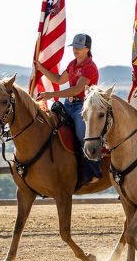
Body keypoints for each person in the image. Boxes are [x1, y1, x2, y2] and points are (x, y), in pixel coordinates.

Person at [34, 33, 102, 186]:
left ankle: (93, 169)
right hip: (68, 104)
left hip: (83, 106)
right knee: (51, 126)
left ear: (87, 49)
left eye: (79, 47)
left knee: (80, 132)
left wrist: (50, 95)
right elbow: (58, 79)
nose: (75, 50)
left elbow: (76, 90)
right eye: (74, 47)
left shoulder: (90, 68)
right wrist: (41, 68)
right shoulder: (72, 64)